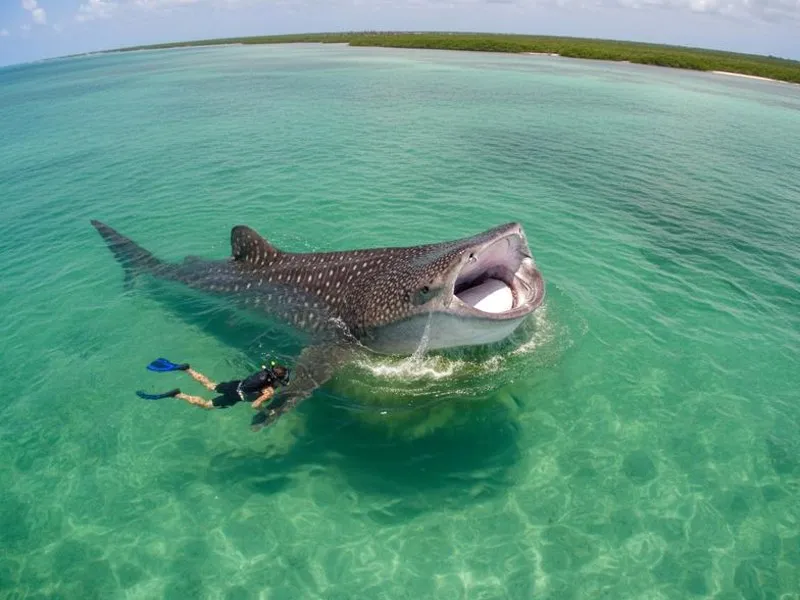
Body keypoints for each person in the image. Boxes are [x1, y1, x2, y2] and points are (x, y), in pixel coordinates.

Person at [136, 358, 291, 411]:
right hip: (235, 396)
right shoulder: (269, 390)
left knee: (210, 385)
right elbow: (254, 406)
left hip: (234, 385)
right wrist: (266, 411)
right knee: (206, 405)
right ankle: (178, 394)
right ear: (277, 380)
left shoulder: (262, 374)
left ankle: (187, 369)